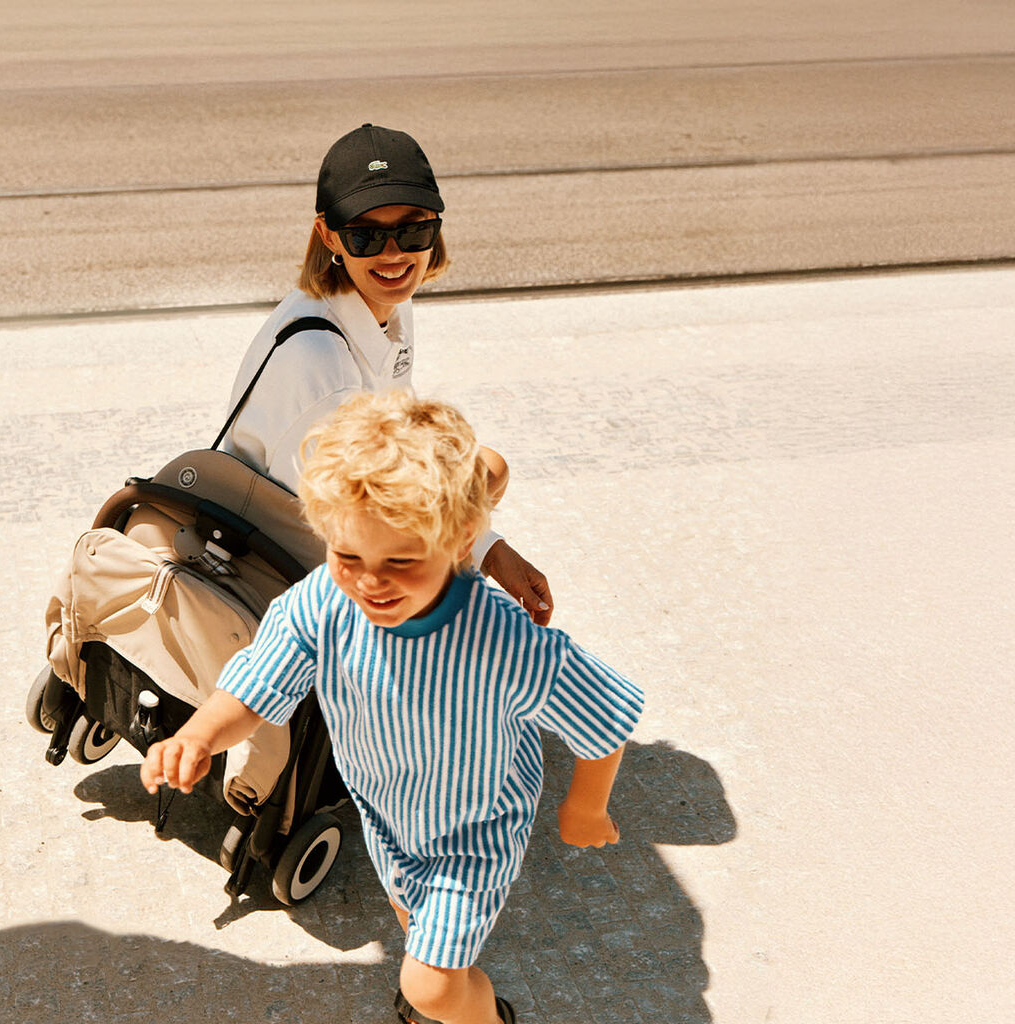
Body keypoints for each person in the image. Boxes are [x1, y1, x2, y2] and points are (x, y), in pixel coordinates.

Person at [143, 392, 645, 1024]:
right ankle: (443, 984)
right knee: (418, 928)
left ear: (462, 543)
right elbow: (255, 685)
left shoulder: (503, 642)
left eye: (401, 562)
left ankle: (480, 1015)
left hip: (476, 828)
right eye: (348, 555)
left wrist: (585, 807)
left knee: (430, 985)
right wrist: (198, 734)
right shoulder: (323, 601)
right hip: (386, 812)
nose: (369, 582)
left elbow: (604, 718)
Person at [215, 123, 554, 625]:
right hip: (289, 555)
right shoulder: (319, 360)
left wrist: (490, 548)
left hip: (329, 518)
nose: (393, 254)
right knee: (476, 478)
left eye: (413, 231)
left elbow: (399, 440)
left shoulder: (376, 302)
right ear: (329, 235)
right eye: (366, 235)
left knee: (483, 469)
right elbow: (353, 523)